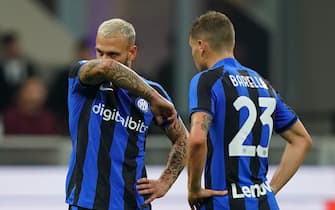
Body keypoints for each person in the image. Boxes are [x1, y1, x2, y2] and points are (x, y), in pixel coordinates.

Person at [187, 11, 312, 210]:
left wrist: (193, 188)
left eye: (192, 47)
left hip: (223, 202)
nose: (193, 54)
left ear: (201, 46)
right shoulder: (264, 85)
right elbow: (302, 140)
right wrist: (271, 189)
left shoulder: (207, 80)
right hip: (265, 204)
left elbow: (196, 139)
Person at [65, 18, 188, 210]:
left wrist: (165, 181)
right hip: (87, 204)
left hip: (134, 204)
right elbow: (107, 68)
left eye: (113, 54)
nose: (104, 59)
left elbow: (184, 139)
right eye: (99, 52)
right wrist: (153, 97)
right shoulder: (82, 78)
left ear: (132, 52)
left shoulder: (153, 91)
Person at [0, 32, 37, 112]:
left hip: (26, 104)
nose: (14, 49)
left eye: (15, 46)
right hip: (5, 105)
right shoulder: (2, 67)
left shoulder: (29, 66)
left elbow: (34, 83)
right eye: (10, 47)